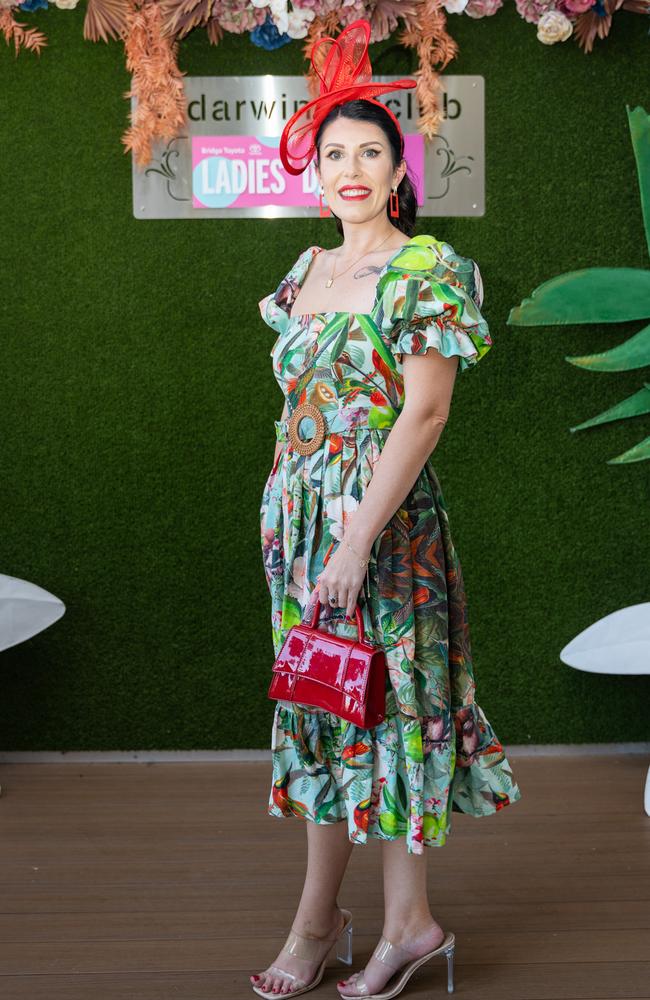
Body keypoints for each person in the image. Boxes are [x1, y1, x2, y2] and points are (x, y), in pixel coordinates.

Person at [252, 19, 521, 1000]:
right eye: (334, 154)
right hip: (298, 532)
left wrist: (357, 539)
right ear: (313, 172)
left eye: (369, 151)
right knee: (326, 711)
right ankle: (321, 920)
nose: (350, 167)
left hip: (383, 533)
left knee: (394, 715)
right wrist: (308, 534)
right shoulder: (305, 274)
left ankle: (406, 923)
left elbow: (425, 410)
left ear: (397, 165)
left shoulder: (426, 270)